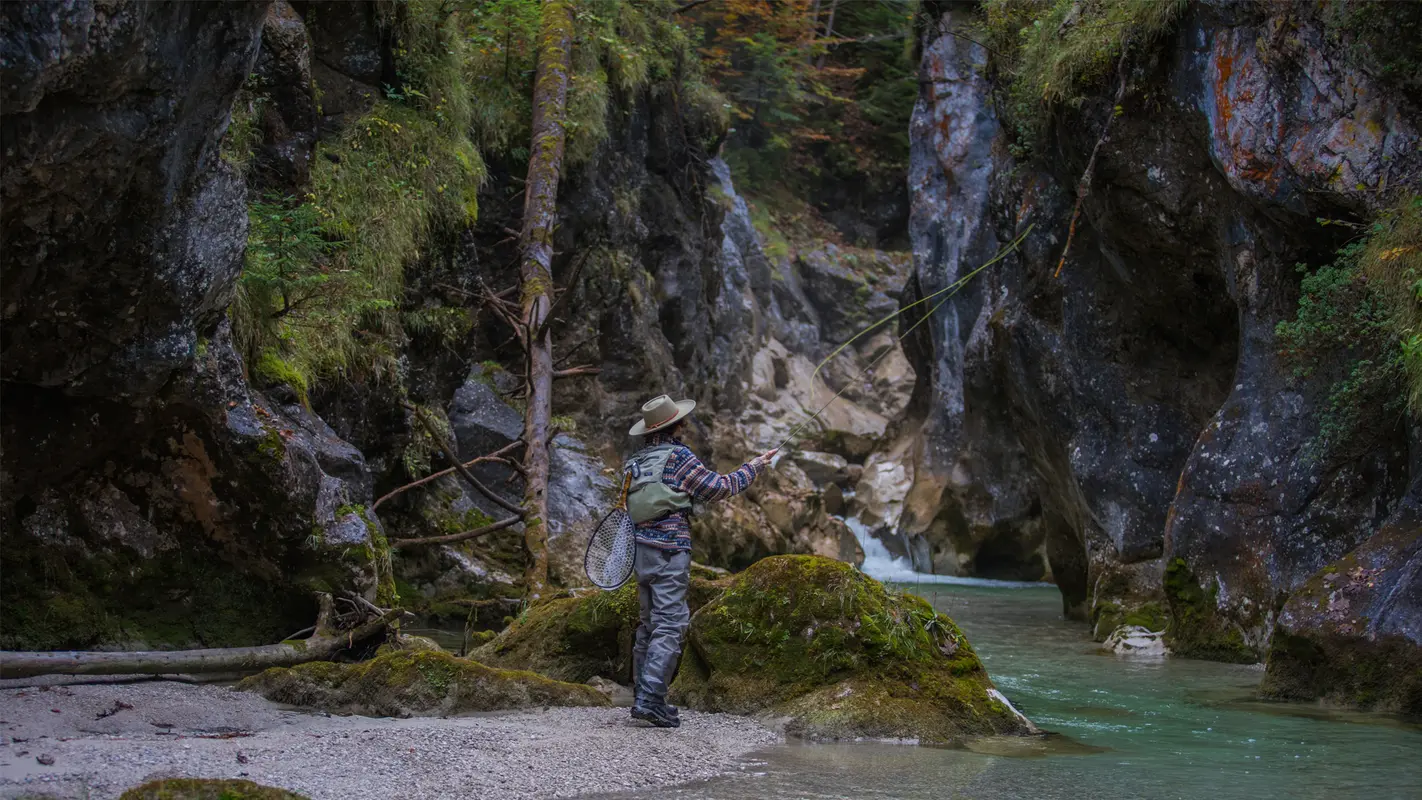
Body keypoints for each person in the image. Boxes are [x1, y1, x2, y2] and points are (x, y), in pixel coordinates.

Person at [623, 394, 776, 728]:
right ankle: (651, 700)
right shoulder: (679, 456)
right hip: (670, 550)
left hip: (640, 550)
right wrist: (754, 467)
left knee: (649, 624)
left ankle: (642, 696)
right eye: (682, 421)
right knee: (670, 623)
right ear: (676, 425)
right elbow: (718, 488)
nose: (685, 425)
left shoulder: (636, 460)